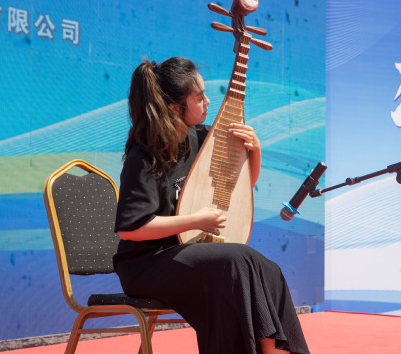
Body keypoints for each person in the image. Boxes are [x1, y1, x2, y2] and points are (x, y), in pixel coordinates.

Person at [113, 57, 310, 354]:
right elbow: (131, 229)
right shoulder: (144, 157)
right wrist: (196, 221)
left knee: (267, 269)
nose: (207, 102)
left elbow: (237, 189)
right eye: (199, 97)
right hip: (146, 264)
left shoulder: (203, 139)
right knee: (236, 261)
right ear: (174, 108)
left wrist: (255, 150)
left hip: (188, 253)